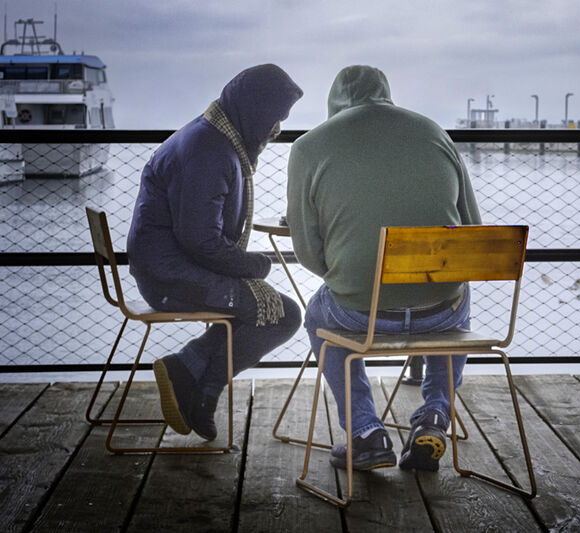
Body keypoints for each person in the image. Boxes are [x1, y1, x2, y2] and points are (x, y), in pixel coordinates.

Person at [287, 65, 481, 472]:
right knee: (457, 296)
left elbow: (307, 254)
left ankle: (364, 433)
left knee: (319, 318)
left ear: (334, 103)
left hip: (362, 314)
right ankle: (435, 415)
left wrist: (346, 273)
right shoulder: (434, 133)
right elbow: (474, 234)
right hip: (439, 312)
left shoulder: (308, 147)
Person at [127, 64, 303, 440]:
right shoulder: (210, 153)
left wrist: (246, 270)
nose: (277, 129)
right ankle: (199, 383)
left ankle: (192, 375)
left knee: (262, 308)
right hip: (168, 277)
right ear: (254, 109)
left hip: (167, 267)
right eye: (275, 117)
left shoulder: (214, 136)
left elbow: (199, 238)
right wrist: (256, 265)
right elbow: (198, 239)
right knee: (283, 315)